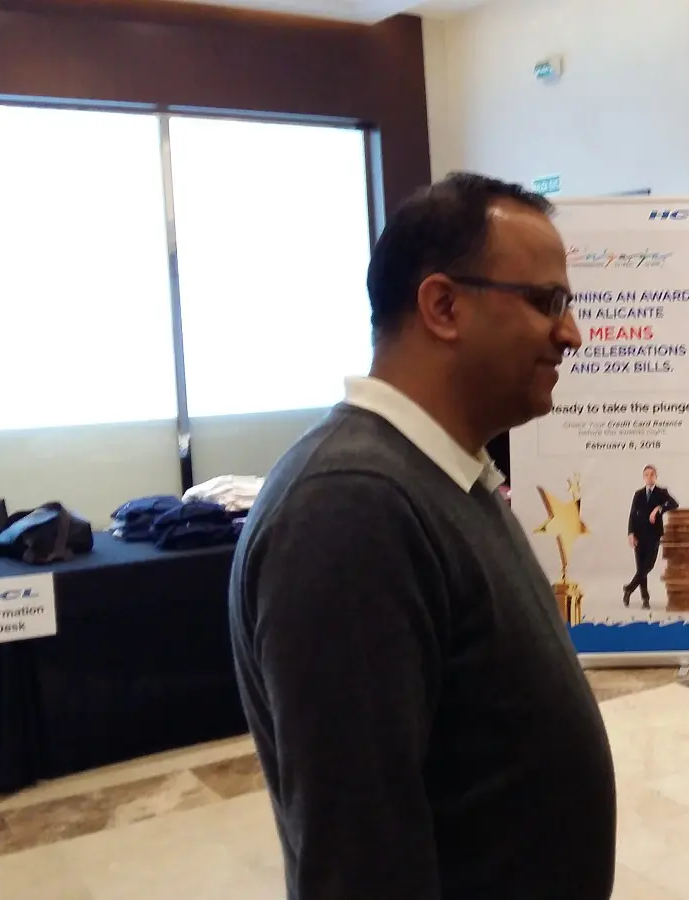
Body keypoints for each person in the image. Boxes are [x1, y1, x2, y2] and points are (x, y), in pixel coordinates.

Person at [227, 172, 616, 900]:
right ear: (442, 306)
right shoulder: (350, 508)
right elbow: (360, 859)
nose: (571, 333)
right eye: (546, 302)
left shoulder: (439, 474)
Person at [623, 464, 679, 608]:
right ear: (643, 477)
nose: (649, 477)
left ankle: (629, 588)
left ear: (656, 476)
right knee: (641, 568)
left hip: (654, 535)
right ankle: (645, 599)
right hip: (639, 535)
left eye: (652, 474)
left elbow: (674, 504)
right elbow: (632, 515)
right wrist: (631, 533)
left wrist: (659, 508)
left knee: (648, 565)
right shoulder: (638, 494)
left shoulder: (661, 492)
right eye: (646, 475)